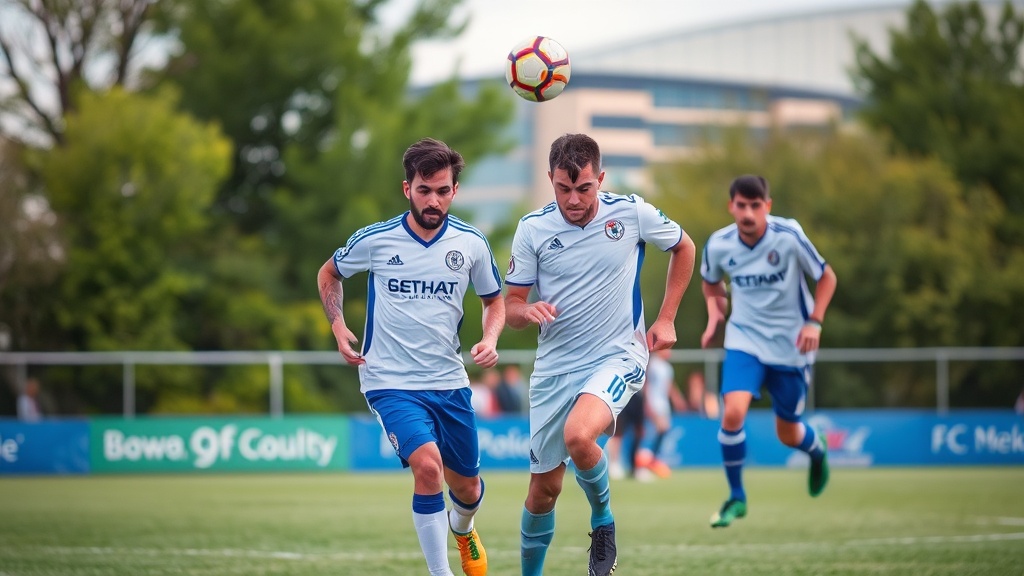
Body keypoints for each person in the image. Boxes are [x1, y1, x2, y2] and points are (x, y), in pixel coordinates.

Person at [504, 133, 696, 576]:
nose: (573, 199)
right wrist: (524, 309)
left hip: (618, 355)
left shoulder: (631, 213)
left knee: (579, 435)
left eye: (584, 188)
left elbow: (684, 247)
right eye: (563, 188)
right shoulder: (532, 228)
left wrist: (666, 318)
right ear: (550, 179)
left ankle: (603, 521)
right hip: (554, 368)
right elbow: (511, 307)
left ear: (600, 178)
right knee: (543, 492)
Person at [317, 137, 504, 576]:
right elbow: (329, 272)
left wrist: (491, 338)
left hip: (449, 381)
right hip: (389, 381)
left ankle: (464, 529)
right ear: (408, 189)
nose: (433, 199)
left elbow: (494, 300)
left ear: (454, 191)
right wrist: (338, 325)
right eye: (424, 190)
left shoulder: (472, 244)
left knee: (469, 489)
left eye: (442, 191)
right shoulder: (376, 240)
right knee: (427, 466)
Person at [699, 174, 838, 529]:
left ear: (767, 207)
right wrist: (716, 313)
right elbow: (710, 279)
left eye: (755, 206)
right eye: (741, 206)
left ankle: (817, 450)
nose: (748, 213)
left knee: (788, 433)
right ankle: (736, 498)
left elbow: (827, 277)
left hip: (792, 346)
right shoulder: (718, 244)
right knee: (732, 413)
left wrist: (815, 322)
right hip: (744, 339)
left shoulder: (789, 236)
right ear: (731, 206)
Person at [633, 348, 687, 480]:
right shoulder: (653, 365)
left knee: (662, 430)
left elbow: (669, 386)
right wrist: (646, 404)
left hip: (663, 404)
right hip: (654, 402)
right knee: (653, 433)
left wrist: (677, 399)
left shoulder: (667, 367)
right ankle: (641, 467)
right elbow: (646, 385)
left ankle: (650, 462)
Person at [604, 390, 645, 481]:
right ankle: (613, 464)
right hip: (622, 393)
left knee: (638, 432)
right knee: (617, 432)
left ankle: (634, 467)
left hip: (637, 394)